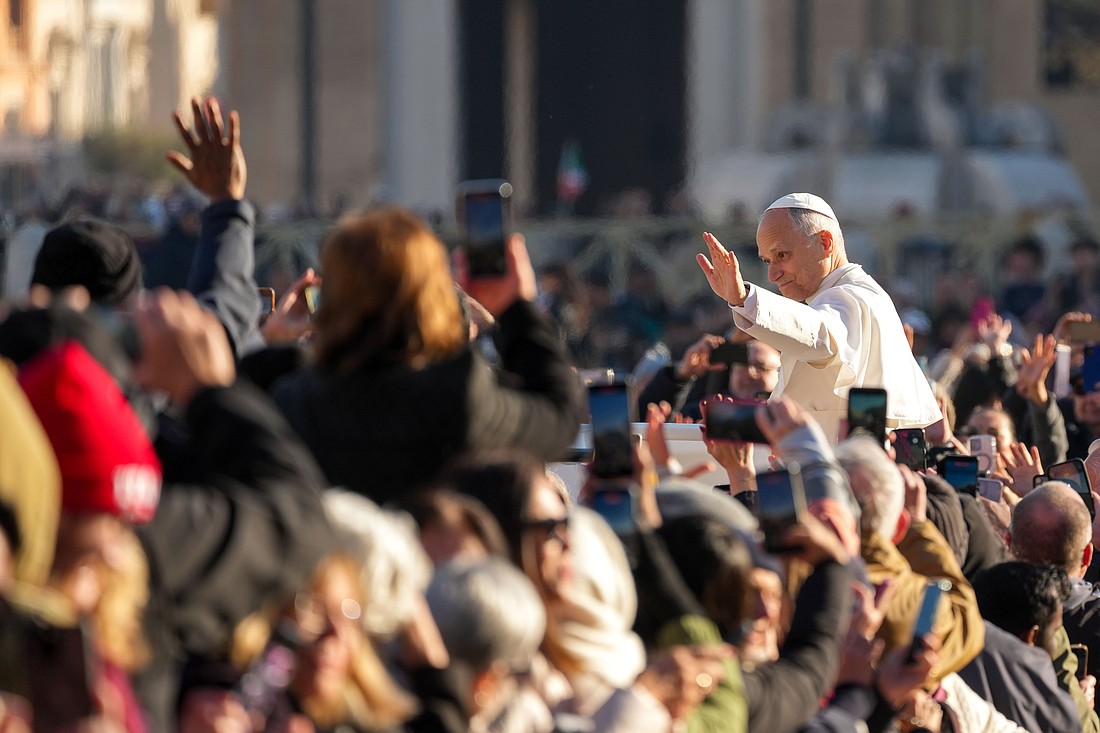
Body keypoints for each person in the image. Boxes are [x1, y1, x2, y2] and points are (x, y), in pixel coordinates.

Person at [270, 208, 584, 504]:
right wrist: (514, 308)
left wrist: (272, 342)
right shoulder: (460, 395)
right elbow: (558, 416)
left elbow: (229, 407)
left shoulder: (294, 401)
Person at [696, 192, 940, 443]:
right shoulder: (839, 297)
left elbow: (821, 335)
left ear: (825, 242)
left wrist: (743, 298)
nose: (772, 275)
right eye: (767, 260)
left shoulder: (851, 297)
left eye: (781, 255)